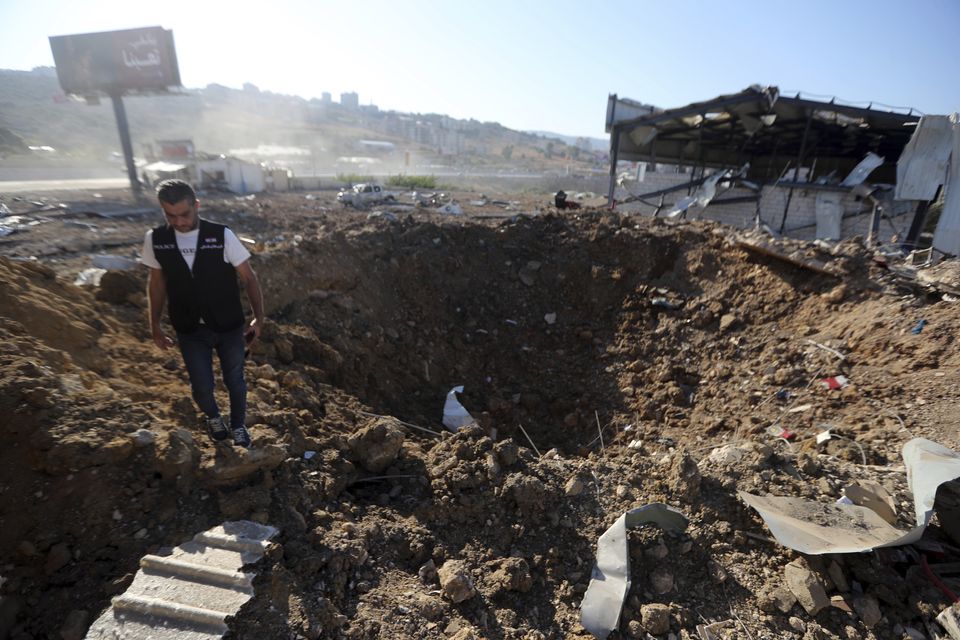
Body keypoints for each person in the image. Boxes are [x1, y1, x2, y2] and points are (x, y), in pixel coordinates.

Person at [141, 179, 264, 448]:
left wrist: (258, 317)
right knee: (201, 387)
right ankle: (213, 417)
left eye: (185, 214)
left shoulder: (221, 235)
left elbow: (249, 278)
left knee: (235, 380)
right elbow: (157, 283)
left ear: (196, 205)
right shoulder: (156, 240)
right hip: (189, 328)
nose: (180, 222)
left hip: (228, 325)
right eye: (170, 216)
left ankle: (238, 425)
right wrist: (155, 325)